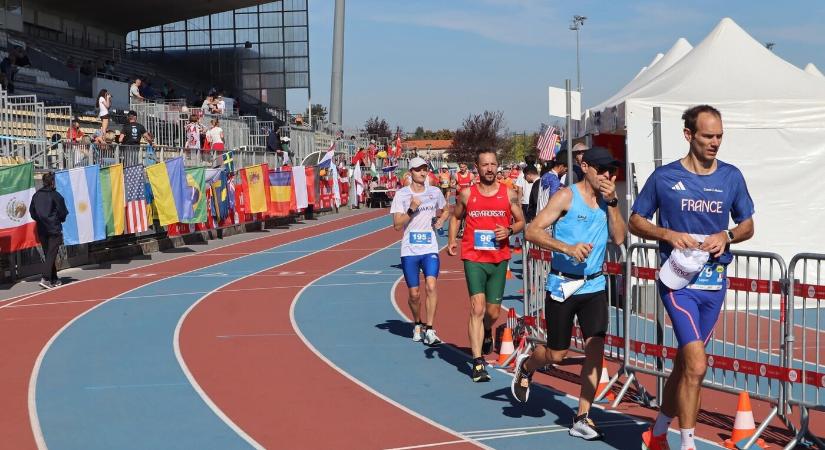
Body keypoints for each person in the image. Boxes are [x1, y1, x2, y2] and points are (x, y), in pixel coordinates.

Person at [631, 105, 754, 450]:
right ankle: (688, 444)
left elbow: (748, 225)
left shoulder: (731, 177)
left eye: (719, 136)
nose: (715, 142)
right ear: (689, 135)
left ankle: (656, 434)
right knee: (698, 366)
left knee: (685, 365)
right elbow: (636, 221)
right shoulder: (665, 177)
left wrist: (727, 236)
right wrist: (668, 235)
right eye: (708, 136)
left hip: (714, 286)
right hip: (678, 284)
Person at [512, 147, 626, 441]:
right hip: (562, 284)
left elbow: (620, 237)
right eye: (601, 169)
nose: (606, 175)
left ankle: (582, 416)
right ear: (584, 167)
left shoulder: (607, 201)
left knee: (595, 347)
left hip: (594, 286)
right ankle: (528, 365)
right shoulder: (566, 196)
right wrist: (567, 249)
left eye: (610, 171)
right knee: (558, 354)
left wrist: (613, 202)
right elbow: (532, 231)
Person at [448, 149, 525, 382]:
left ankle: (488, 330)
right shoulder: (466, 194)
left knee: (491, 313)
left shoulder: (509, 194)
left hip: (499, 258)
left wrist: (509, 230)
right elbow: (455, 217)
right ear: (477, 167)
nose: (489, 168)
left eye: (493, 164)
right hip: (473, 257)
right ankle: (478, 362)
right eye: (485, 165)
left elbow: (521, 221)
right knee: (477, 308)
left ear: (497, 166)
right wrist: (452, 240)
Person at [391, 157, 450, 346]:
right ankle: (417, 323)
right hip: (409, 249)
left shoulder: (434, 192)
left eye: (425, 169)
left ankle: (430, 328)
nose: (422, 173)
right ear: (410, 173)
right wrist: (411, 209)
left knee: (431, 286)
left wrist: (441, 220)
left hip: (430, 247)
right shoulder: (401, 195)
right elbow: (397, 226)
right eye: (418, 170)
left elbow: (446, 209)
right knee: (414, 294)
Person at [29, 172, 68, 290]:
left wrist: (40, 220)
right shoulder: (56, 195)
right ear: (52, 182)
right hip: (53, 228)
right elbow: (63, 212)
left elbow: (32, 212)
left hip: (41, 229)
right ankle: (46, 278)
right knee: (51, 254)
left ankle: (54, 278)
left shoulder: (36, 196)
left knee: (48, 254)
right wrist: (59, 220)